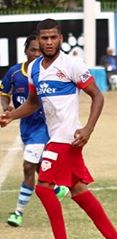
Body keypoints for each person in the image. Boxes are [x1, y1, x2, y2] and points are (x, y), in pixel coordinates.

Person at [0, 18, 117, 239]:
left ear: (60, 38)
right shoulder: (35, 68)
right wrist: (11, 116)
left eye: (53, 37)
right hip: (57, 138)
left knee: (43, 188)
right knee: (78, 190)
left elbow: (97, 96)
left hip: (68, 138)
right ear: (38, 40)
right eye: (44, 38)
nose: (49, 42)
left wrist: (88, 129)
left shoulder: (72, 65)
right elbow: (33, 103)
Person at [1, 35, 68, 227]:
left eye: (40, 50)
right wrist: (6, 107)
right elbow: (4, 93)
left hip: (44, 126)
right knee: (38, 164)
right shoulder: (15, 72)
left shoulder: (49, 73)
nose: (37, 54)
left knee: (28, 166)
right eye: (33, 50)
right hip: (27, 127)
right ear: (26, 51)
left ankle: (18, 212)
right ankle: (57, 189)